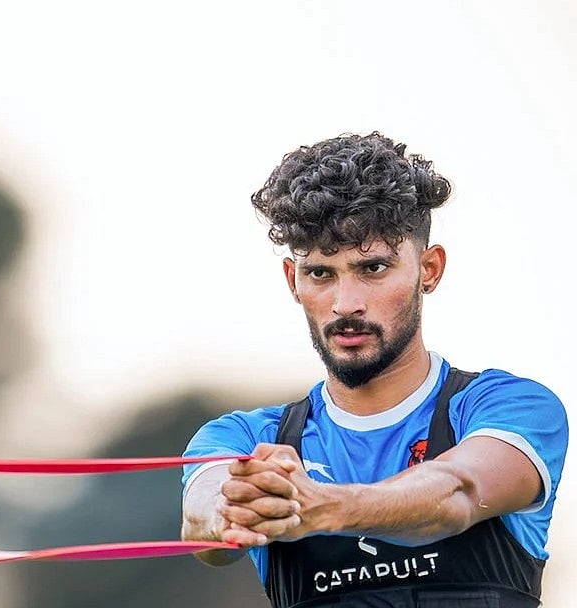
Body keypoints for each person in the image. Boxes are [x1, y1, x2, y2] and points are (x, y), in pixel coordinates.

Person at [180, 132, 567, 607]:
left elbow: (456, 494)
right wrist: (233, 509)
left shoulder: (509, 407)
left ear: (429, 269)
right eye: (321, 273)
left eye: (373, 269)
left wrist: (318, 508)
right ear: (292, 281)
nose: (346, 305)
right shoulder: (245, 437)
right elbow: (202, 518)